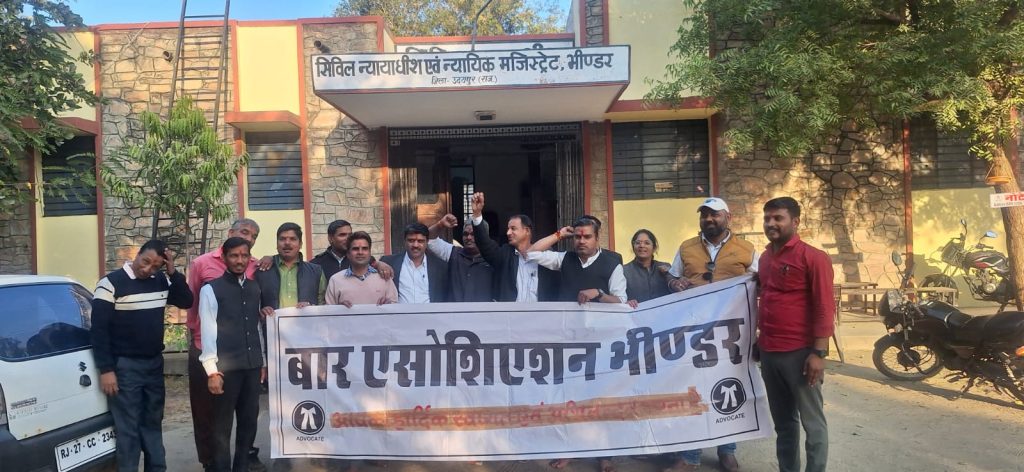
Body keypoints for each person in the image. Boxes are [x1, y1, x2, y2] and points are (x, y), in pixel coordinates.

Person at [526, 215, 626, 472]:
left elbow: (621, 302)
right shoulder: (565, 259)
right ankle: (570, 449)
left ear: (597, 238)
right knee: (569, 396)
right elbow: (532, 253)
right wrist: (559, 235)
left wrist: (599, 294)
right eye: (578, 236)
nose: (581, 241)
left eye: (587, 236)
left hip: (601, 341)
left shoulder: (612, 262)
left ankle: (605, 454)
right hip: (569, 340)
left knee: (602, 396)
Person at [665, 197, 756, 472]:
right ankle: (690, 456)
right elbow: (672, 276)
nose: (708, 219)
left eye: (714, 214)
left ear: (728, 217)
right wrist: (674, 283)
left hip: (732, 333)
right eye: (704, 215)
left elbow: (760, 282)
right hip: (694, 330)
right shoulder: (686, 247)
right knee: (694, 389)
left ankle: (727, 450)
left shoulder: (747, 249)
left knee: (729, 389)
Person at [91, 239, 193, 472]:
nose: (147, 269)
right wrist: (106, 370)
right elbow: (98, 330)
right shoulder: (110, 284)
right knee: (128, 429)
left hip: (154, 366)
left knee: (153, 424)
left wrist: (172, 272)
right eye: (145, 261)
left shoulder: (160, 280)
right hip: (125, 367)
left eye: (155, 266)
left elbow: (186, 301)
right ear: (137, 254)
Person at [757, 197, 834, 472]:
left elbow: (825, 307)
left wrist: (818, 353)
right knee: (784, 424)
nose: (771, 223)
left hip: (800, 354)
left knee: (813, 424)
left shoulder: (813, 258)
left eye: (778, 218)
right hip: (769, 353)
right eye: (767, 218)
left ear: (796, 221)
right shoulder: (765, 258)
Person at [185, 219, 265, 472]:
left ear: (249, 258)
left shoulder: (254, 287)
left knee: (249, 422)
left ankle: (241, 467)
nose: (239, 261)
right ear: (226, 258)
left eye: (244, 256)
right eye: (234, 256)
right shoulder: (211, 289)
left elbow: (256, 327)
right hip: (225, 368)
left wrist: (262, 362)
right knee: (221, 426)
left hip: (251, 366)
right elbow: (208, 331)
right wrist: (212, 371)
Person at [469, 192, 560, 302]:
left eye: (513, 228)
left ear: (527, 231)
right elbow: (485, 244)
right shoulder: (505, 254)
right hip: (510, 313)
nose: (508, 233)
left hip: (541, 312)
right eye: (508, 229)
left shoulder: (546, 256)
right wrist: (477, 214)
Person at [254, 222, 326, 313]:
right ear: (277, 244)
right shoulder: (263, 270)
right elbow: (254, 304)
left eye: (292, 239)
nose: (287, 243)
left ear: (300, 244)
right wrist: (261, 312)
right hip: (272, 321)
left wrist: (311, 307)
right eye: (282, 239)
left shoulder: (316, 272)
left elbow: (324, 305)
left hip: (306, 322)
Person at [427, 213, 495, 302]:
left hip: (482, 310)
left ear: (484, 236)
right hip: (454, 310)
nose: (469, 237)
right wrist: (440, 224)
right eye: (465, 234)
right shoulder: (453, 253)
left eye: (473, 234)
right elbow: (430, 239)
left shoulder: (493, 258)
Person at [380, 223, 450, 303]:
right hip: (399, 311)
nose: (415, 245)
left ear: (427, 242)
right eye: (411, 240)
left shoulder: (440, 267)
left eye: (420, 241)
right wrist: (377, 264)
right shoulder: (389, 262)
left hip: (431, 311)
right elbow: (369, 268)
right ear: (404, 241)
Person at [326, 231, 398, 306]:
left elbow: (395, 307)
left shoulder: (384, 278)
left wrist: (388, 304)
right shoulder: (335, 280)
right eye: (355, 249)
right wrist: (339, 308)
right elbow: (328, 311)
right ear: (348, 254)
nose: (360, 252)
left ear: (370, 252)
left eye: (364, 248)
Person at [310, 219, 393, 281]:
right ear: (331, 238)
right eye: (342, 235)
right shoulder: (316, 264)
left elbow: (375, 265)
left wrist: (380, 264)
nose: (348, 238)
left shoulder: (362, 259)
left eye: (350, 234)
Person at [622, 229, 672, 306]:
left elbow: (676, 290)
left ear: (654, 248)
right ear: (633, 246)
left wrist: (669, 275)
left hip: (665, 312)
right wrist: (625, 303)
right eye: (638, 243)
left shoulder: (665, 268)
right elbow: (618, 298)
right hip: (637, 313)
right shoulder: (624, 271)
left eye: (647, 243)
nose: (642, 246)